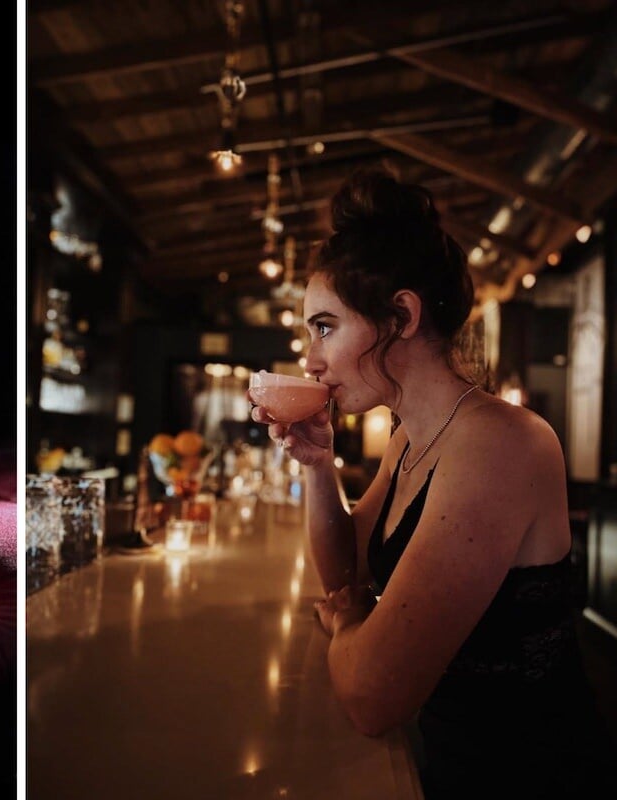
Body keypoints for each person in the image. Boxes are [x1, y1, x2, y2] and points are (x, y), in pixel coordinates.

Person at [250, 165, 614, 798]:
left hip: (528, 777)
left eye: (325, 327)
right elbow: (344, 575)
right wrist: (317, 465)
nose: (311, 358)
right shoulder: (410, 440)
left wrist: (347, 624)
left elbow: (371, 696)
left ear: (401, 316)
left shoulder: (499, 443)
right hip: (448, 759)